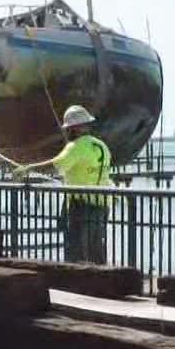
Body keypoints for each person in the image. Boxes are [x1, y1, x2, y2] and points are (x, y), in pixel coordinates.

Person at [13, 104, 113, 265]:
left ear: (75, 128)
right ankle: (102, 282)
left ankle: (77, 284)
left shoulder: (76, 146)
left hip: (81, 204)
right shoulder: (102, 146)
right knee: (96, 248)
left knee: (77, 250)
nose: (66, 132)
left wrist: (28, 168)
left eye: (68, 129)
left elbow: (55, 165)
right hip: (103, 203)